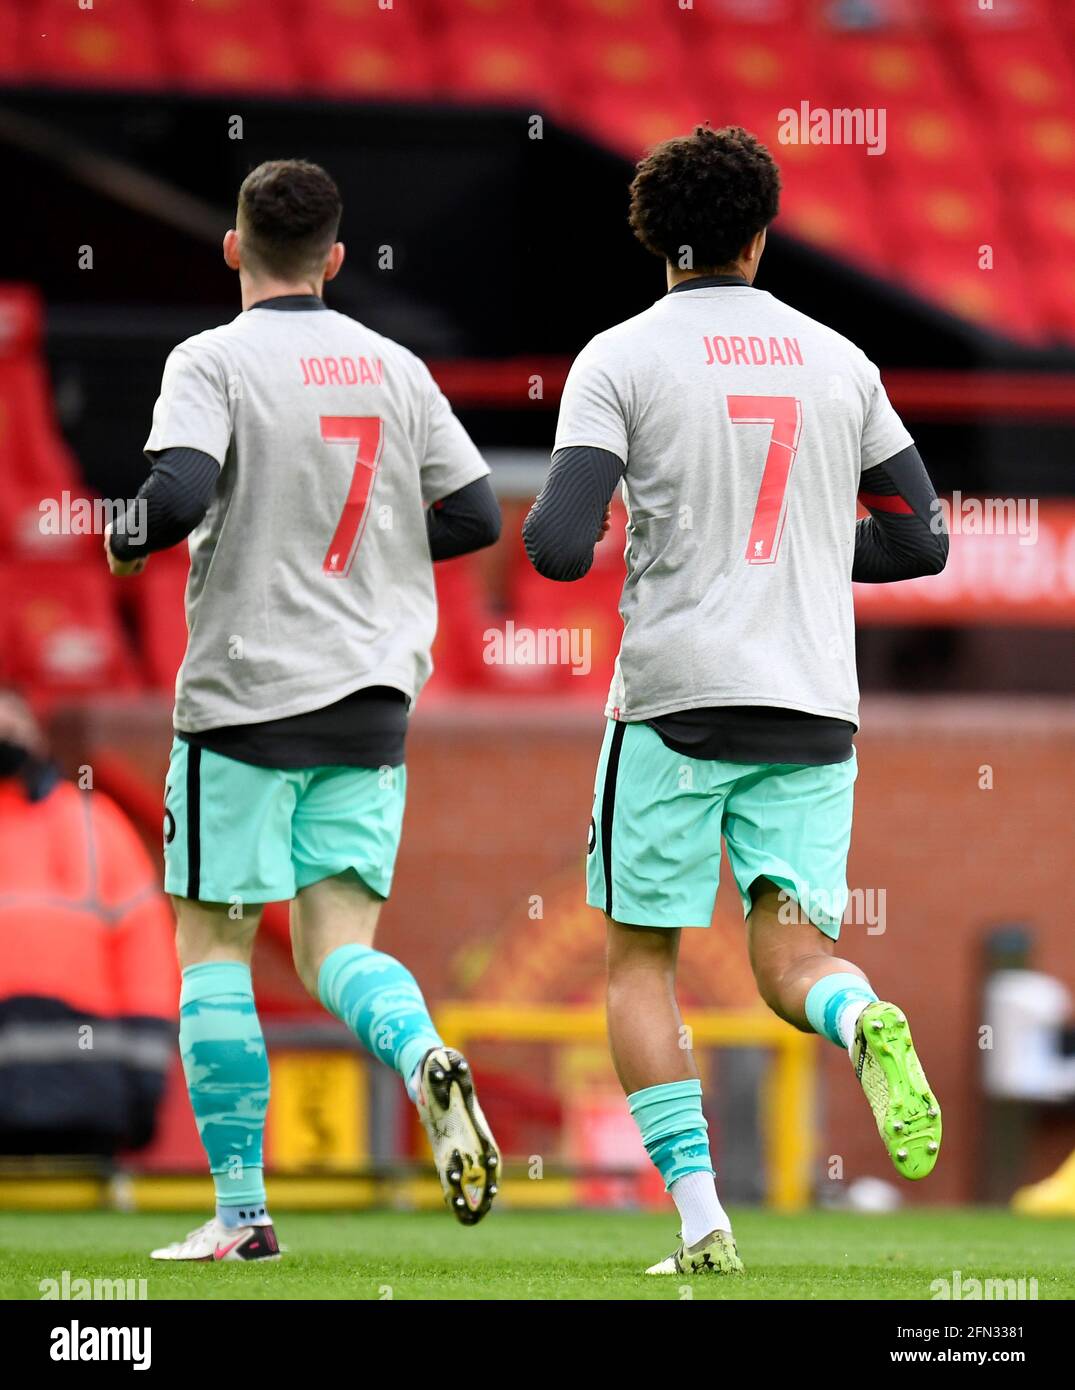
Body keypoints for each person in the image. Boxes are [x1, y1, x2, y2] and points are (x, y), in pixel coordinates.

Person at [524, 126, 948, 1276]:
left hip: (672, 705)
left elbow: (559, 546)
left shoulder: (618, 358)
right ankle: (860, 1017)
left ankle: (702, 1219)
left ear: (655, 238)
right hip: (810, 706)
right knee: (794, 964)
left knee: (640, 962)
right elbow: (923, 544)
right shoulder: (840, 360)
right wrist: (803, 556)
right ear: (764, 233)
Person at [105, 159, 502, 1262]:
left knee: (215, 950)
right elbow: (472, 513)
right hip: (370, 702)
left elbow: (176, 492)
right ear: (334, 260)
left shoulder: (212, 359)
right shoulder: (394, 366)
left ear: (233, 248)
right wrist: (366, 557)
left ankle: (240, 1214)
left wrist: (122, 533)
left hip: (244, 700)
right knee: (338, 948)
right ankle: (422, 1051)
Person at [0, 688, 176, 1157]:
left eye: (12, 728)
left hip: (87, 1101)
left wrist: (145, 1080)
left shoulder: (93, 823)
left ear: (38, 737)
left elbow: (145, 953)